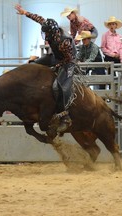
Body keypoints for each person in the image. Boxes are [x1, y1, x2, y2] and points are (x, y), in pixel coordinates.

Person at [15, 4, 77, 133]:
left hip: (68, 63)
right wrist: (25, 12)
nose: (46, 35)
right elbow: (39, 19)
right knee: (33, 65)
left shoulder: (64, 41)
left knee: (58, 87)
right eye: (45, 32)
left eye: (47, 32)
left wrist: (57, 66)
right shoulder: (50, 27)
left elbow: (69, 59)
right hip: (56, 57)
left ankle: (65, 116)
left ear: (52, 32)